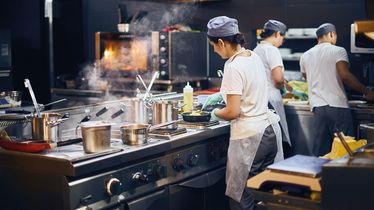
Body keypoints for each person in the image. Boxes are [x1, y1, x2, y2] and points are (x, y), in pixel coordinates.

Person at [204, 16, 284, 210]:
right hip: (269, 131)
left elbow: (232, 112)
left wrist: (215, 112)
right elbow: (249, 92)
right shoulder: (252, 56)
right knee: (262, 196)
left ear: (221, 42)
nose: (214, 50)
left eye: (213, 46)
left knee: (241, 198)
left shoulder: (233, 66)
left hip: (250, 139)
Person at [300, 23, 374, 156]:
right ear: (331, 34)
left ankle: (320, 176)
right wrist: (367, 92)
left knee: (321, 152)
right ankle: (343, 176)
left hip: (318, 108)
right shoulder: (338, 50)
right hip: (337, 107)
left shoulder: (305, 55)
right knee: (345, 150)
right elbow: (345, 75)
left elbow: (306, 77)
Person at [253, 19, 293, 155]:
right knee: (278, 137)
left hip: (260, 99)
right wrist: (283, 87)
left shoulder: (256, 49)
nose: (282, 41)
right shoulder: (272, 50)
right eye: (282, 37)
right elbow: (277, 78)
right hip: (272, 99)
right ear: (276, 34)